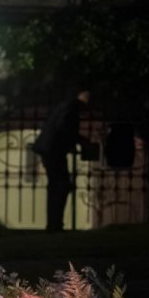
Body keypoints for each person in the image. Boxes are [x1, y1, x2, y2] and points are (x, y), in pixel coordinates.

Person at [32, 85, 94, 232]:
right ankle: (55, 224)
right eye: (87, 96)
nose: (89, 100)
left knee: (57, 186)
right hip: (54, 150)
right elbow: (64, 127)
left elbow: (62, 127)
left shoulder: (67, 105)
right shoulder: (71, 107)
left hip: (51, 149)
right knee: (60, 186)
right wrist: (79, 140)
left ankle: (54, 224)